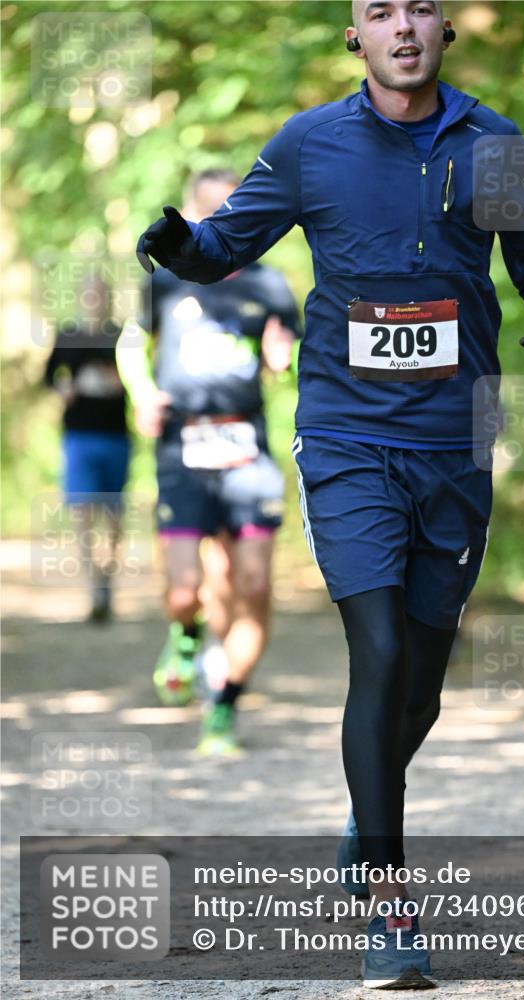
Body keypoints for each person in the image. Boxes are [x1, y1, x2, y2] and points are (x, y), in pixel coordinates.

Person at [136, 1, 524, 987]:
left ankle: (364, 818)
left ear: (442, 30)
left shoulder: (495, 144)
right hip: (344, 433)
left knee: (420, 683)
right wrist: (177, 242)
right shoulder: (309, 144)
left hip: (454, 439)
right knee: (376, 650)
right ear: (355, 33)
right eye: (380, 9)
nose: (402, 25)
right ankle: (390, 908)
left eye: (421, 7)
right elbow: (224, 248)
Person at [119, 168, 299, 757]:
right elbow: (129, 344)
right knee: (185, 589)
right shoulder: (167, 281)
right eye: (209, 214)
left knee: (250, 584)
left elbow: (285, 356)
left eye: (232, 213)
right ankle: (187, 636)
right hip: (182, 446)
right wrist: (143, 392)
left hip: (246, 446)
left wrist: (282, 358)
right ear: (193, 219)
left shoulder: (271, 285)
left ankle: (223, 707)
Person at [44, 275, 130, 623]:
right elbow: (48, 375)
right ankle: (92, 585)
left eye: (100, 293)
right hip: (78, 435)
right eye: (89, 294)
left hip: (115, 436)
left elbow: (139, 375)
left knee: (112, 516)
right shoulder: (68, 334)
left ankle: (106, 579)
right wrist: (64, 387)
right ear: (81, 298)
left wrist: (119, 384)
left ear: (108, 298)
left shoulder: (122, 335)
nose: (95, 299)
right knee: (81, 512)